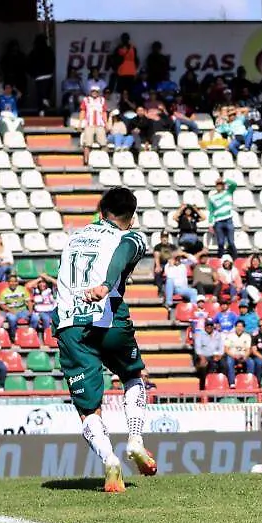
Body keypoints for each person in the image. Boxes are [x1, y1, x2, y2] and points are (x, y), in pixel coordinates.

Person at [54, 188, 157, 493]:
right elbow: (123, 252)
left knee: (88, 410)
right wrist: (107, 284)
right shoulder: (133, 237)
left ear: (100, 210)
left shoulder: (74, 237)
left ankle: (110, 460)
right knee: (133, 375)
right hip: (108, 316)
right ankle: (136, 440)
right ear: (132, 216)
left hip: (71, 324)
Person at [206, 177, 240, 259]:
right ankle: (220, 259)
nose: (219, 186)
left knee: (231, 242)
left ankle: (236, 259)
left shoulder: (228, 192)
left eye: (221, 184)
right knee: (220, 243)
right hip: (218, 222)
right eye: (217, 185)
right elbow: (211, 212)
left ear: (224, 185)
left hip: (228, 220)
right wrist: (210, 224)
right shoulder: (212, 197)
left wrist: (224, 180)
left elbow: (234, 184)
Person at [0, 274, 32, 343]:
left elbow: (29, 301)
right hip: (10, 311)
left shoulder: (23, 289)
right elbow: (2, 305)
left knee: (35, 318)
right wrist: (10, 310)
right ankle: (13, 336)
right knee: (12, 319)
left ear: (17, 282)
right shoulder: (4, 292)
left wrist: (30, 312)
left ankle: (30, 335)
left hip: (23, 310)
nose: (13, 283)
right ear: (8, 283)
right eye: (11, 281)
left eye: (15, 281)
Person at [193, 320, 225, 388]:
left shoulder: (218, 335)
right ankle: (204, 386)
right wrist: (202, 357)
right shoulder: (200, 334)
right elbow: (198, 348)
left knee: (224, 364)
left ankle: (222, 384)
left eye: (211, 326)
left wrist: (219, 355)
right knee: (205, 365)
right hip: (204, 356)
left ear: (213, 327)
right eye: (207, 326)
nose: (209, 327)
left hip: (215, 355)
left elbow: (221, 347)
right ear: (205, 327)